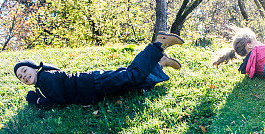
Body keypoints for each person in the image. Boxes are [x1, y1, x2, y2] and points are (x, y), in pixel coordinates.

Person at [14, 32, 185, 108]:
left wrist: (37, 101)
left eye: (24, 70)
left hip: (93, 83)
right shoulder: (42, 83)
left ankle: (159, 44)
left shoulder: (45, 78)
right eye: (21, 77)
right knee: (136, 84)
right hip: (94, 88)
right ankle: (159, 62)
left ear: (34, 67)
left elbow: (58, 100)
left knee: (132, 76)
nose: (24, 76)